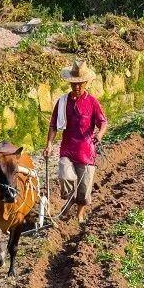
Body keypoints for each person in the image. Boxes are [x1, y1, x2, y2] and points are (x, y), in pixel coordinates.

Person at [44, 60, 107, 222]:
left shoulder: (92, 102)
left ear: (86, 83)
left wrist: (99, 134)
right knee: (64, 174)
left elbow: (103, 122)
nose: (77, 87)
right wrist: (49, 145)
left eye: (80, 83)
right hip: (67, 149)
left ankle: (79, 213)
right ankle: (69, 199)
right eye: (73, 83)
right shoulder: (62, 102)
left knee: (84, 188)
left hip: (87, 151)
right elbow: (53, 125)